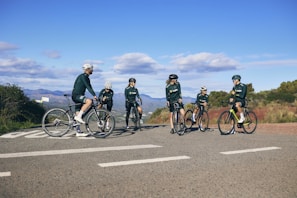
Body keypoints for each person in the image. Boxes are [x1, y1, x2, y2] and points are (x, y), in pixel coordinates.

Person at [72, 63, 97, 137]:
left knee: (78, 111)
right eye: (91, 68)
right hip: (77, 95)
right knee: (89, 101)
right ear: (87, 69)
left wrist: (93, 94)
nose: (92, 70)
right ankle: (79, 117)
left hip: (78, 95)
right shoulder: (83, 77)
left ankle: (78, 131)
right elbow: (88, 86)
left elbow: (90, 87)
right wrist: (94, 95)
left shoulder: (86, 77)